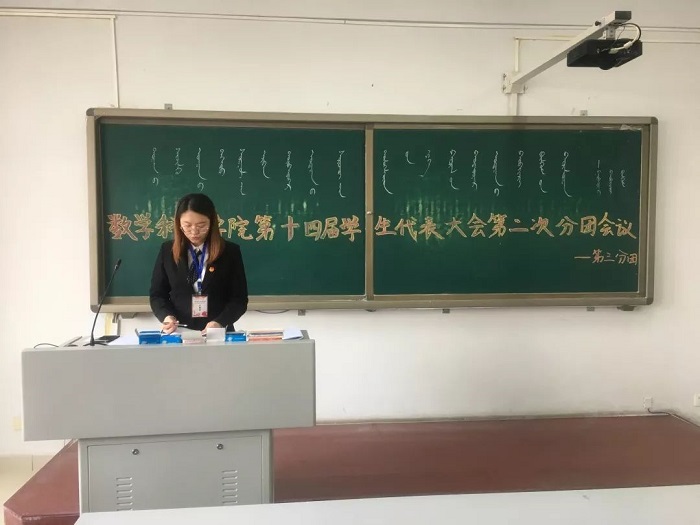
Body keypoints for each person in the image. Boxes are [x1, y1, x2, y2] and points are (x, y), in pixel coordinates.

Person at [150, 193, 248, 334]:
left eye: (201, 225)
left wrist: (219, 322)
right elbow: (157, 295)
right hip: (179, 332)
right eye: (187, 225)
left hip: (218, 333)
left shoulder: (229, 252)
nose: (194, 231)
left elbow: (239, 299)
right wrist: (167, 317)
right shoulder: (167, 251)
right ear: (179, 224)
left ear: (212, 223)